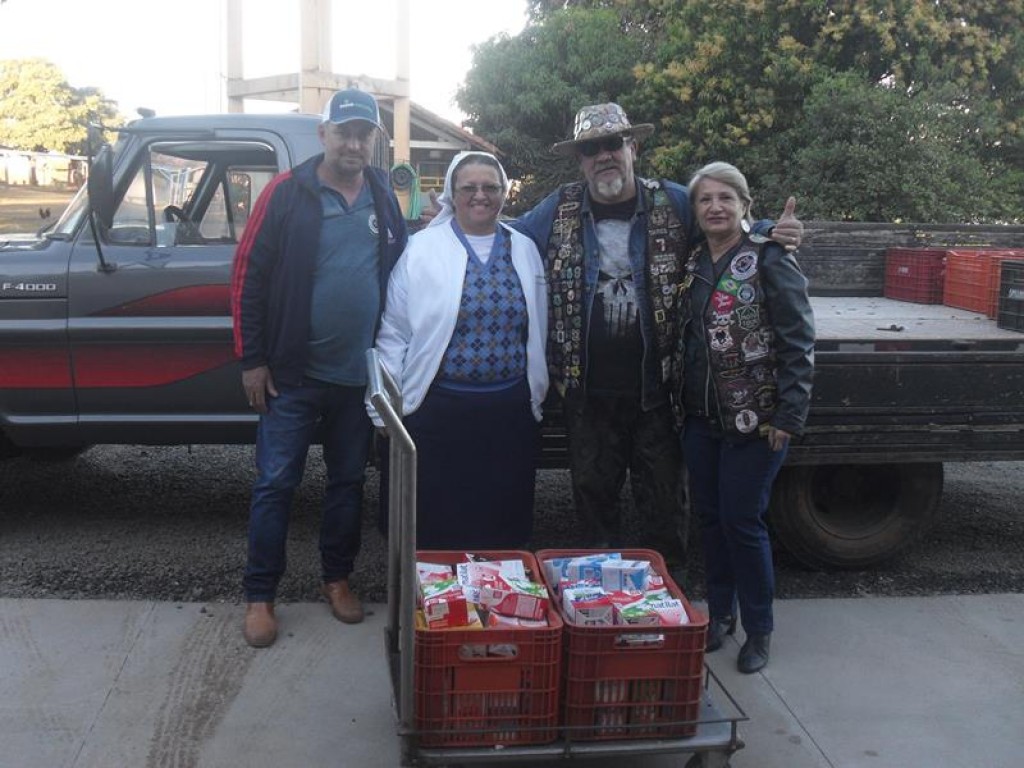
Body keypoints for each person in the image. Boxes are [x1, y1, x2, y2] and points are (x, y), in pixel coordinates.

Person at [510, 103, 803, 574]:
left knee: (665, 511)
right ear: (579, 159)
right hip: (587, 396)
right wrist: (442, 229)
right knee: (594, 509)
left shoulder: (672, 201)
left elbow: (729, 225)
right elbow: (504, 237)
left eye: (613, 144)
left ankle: (669, 611)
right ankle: (598, 609)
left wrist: (772, 230)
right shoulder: (559, 207)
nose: (603, 156)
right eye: (591, 149)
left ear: (633, 147)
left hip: (660, 395)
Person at [231, 89, 408, 648]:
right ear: (324, 135)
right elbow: (247, 278)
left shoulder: (384, 195)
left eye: (364, 134)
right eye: (345, 132)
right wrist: (253, 360)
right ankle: (261, 595)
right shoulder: (288, 193)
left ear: (372, 142)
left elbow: (403, 275)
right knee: (275, 483)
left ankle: (337, 579)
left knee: (348, 483)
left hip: (359, 380)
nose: (354, 143)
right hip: (292, 376)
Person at [676, 161, 814, 673]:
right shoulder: (692, 262)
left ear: (744, 206)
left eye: (725, 198)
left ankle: (759, 629)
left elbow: (799, 340)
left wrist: (789, 414)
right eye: (705, 200)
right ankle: (719, 615)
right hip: (698, 420)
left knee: (743, 522)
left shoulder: (769, 256)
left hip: (756, 421)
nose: (715, 207)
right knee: (710, 521)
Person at [372, 151, 548, 549]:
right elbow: (393, 334)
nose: (480, 196)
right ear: (452, 193)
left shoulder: (524, 248)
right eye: (469, 188)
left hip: (507, 410)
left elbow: (538, 324)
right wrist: (381, 405)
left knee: (501, 516)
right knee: (438, 519)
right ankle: (437, 603)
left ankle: (499, 598)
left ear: (504, 193)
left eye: (491, 187)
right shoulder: (421, 249)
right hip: (438, 408)